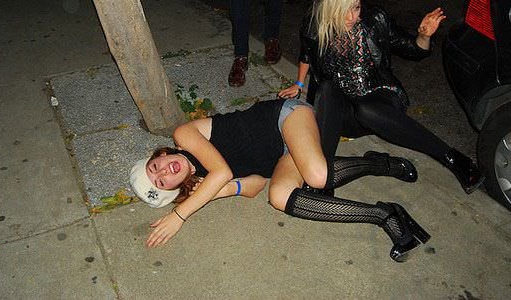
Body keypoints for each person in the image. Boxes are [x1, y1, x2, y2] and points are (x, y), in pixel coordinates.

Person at [129, 99, 430, 262]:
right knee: (279, 197)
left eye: (156, 166)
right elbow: (255, 185)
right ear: (174, 189)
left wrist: (180, 215)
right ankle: (384, 213)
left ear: (162, 153)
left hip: (284, 118)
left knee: (317, 176)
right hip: (283, 156)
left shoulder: (183, 135)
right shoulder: (202, 183)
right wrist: (217, 192)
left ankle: (379, 163)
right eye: (162, 181)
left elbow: (222, 171)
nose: (164, 171)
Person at [278, 0, 484, 194]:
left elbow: (411, 48)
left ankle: (453, 159)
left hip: (381, 101)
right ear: (328, 7)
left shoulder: (375, 19)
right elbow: (307, 54)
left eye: (356, 7)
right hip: (344, 111)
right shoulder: (314, 24)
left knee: (366, 109)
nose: (351, 17)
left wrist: (423, 36)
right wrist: (298, 84)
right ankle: (324, 174)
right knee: (327, 88)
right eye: (343, 9)